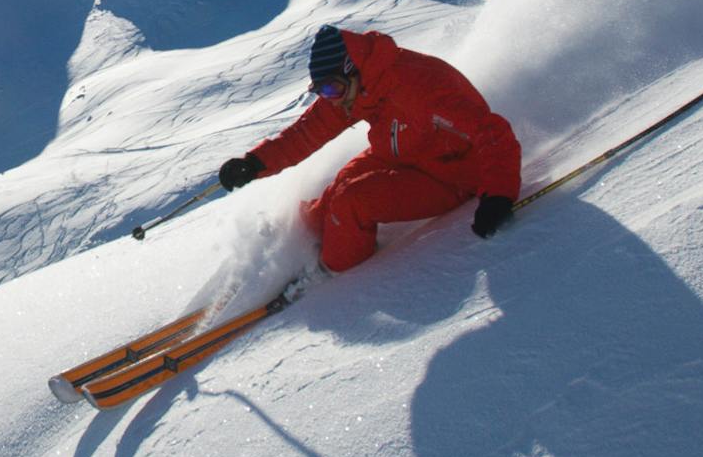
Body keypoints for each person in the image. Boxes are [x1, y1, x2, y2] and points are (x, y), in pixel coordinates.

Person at [219, 24, 522, 272]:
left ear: (353, 70)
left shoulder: (419, 86)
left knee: (351, 201)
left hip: (450, 174)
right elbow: (305, 134)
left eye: (332, 89)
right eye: (321, 91)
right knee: (331, 195)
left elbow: (492, 132)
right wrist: (255, 163)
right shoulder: (355, 89)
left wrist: (498, 195)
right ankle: (304, 246)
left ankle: (331, 271)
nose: (331, 98)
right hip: (400, 155)